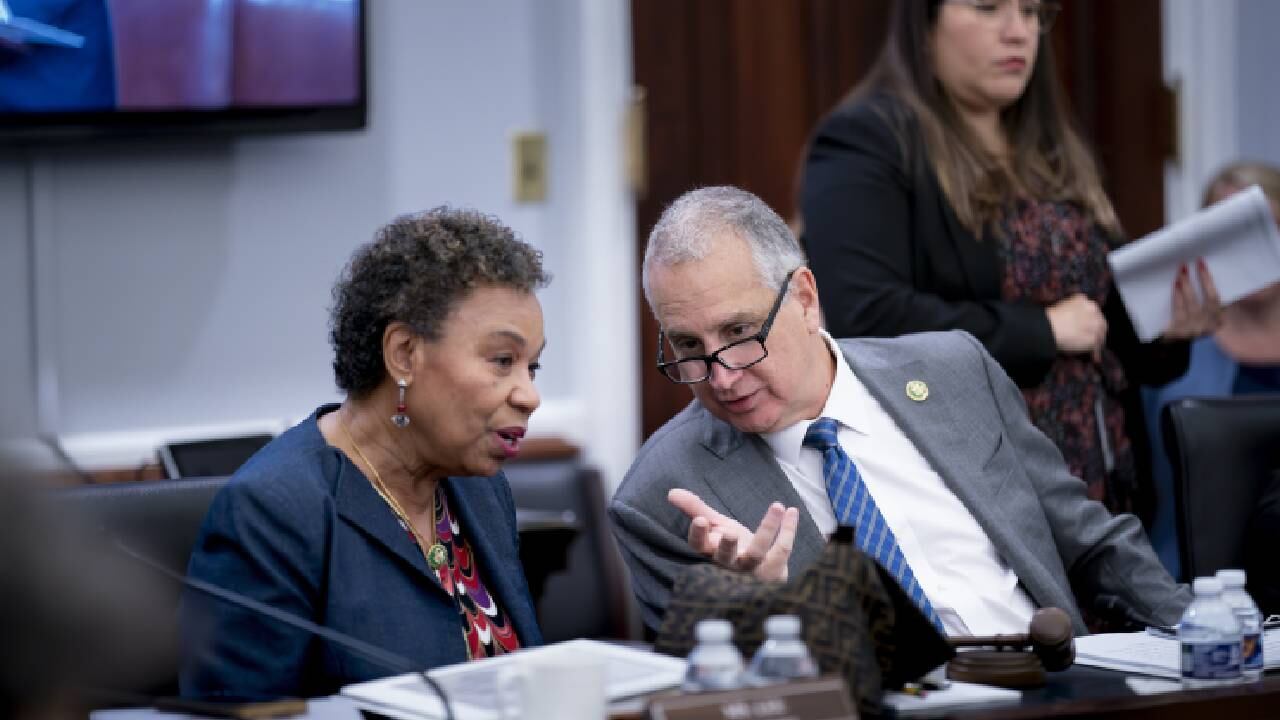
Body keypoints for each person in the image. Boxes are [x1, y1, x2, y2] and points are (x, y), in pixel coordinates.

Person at [609, 185, 1190, 639]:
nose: (721, 376)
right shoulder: (662, 497)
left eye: (739, 332)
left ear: (805, 299)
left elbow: (1090, 541)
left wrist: (1203, 635)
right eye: (688, 346)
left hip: (1050, 689)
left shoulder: (954, 370)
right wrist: (759, 603)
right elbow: (713, 693)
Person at [798, 0, 1220, 521]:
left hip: (1102, 488)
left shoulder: (1054, 150)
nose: (1018, 31)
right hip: (978, 495)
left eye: (1032, 11)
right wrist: (1042, 331)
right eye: (989, 7)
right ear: (925, 24)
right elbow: (870, 319)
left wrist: (1168, 328)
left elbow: (1097, 327)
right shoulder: (868, 140)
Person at [180, 208, 549, 701]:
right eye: (503, 361)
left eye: (532, 367)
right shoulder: (272, 512)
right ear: (404, 354)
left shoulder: (480, 489)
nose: (529, 395)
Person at [1142, 163, 1280, 578]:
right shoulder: (1169, 357)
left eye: (1267, 228)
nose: (1251, 250)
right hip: (1192, 583)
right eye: (1232, 235)